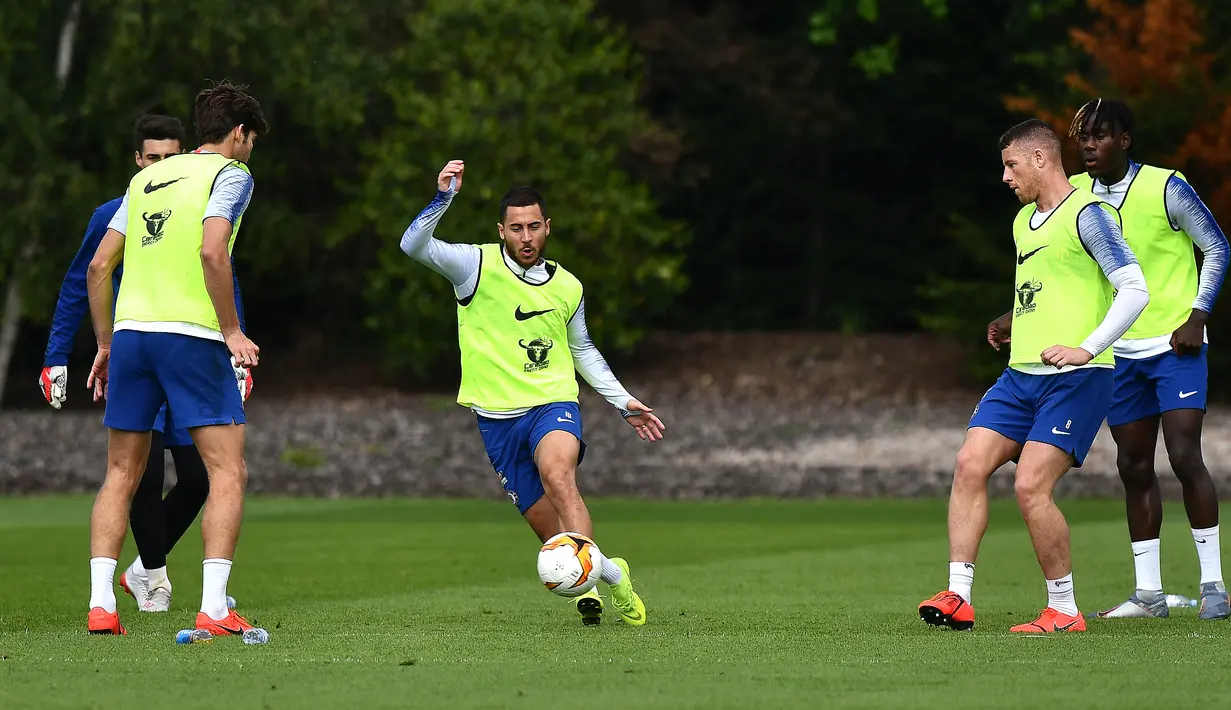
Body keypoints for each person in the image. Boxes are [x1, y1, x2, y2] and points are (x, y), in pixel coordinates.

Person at [400, 160, 663, 626]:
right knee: (549, 532)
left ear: (548, 228)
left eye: (534, 227)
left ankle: (588, 582)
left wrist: (624, 402)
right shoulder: (472, 265)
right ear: (501, 230)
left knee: (558, 476)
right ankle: (610, 575)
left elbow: (581, 349)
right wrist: (443, 198)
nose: (526, 237)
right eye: (516, 228)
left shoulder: (568, 286)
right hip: (496, 418)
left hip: (553, 402)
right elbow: (412, 244)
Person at [917, 119, 1149, 632]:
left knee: (1029, 486)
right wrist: (1010, 319)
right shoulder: (1025, 221)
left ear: (1040, 160)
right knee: (968, 464)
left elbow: (1134, 289)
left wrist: (1087, 349)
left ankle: (1064, 610)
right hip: (1019, 378)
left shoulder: (1090, 216)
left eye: (1010, 165)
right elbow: (1046, 289)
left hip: (1077, 380)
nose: (1005, 176)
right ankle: (958, 597)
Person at [41, 114, 252, 614]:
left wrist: (107, 344)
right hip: (174, 342)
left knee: (172, 476)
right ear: (138, 160)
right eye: (152, 157)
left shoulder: (160, 192)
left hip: (138, 343)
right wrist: (58, 356)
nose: (161, 164)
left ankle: (114, 593)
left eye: (169, 156)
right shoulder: (144, 200)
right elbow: (86, 275)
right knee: (180, 471)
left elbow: (222, 272)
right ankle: (171, 585)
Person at [83, 81, 266, 637]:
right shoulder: (230, 175)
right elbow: (213, 249)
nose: (250, 149)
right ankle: (213, 610)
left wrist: (106, 345)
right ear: (238, 133)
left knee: (120, 471)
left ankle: (101, 607)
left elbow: (98, 268)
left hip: (133, 336)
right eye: (251, 139)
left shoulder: (145, 178)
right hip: (189, 335)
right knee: (227, 469)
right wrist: (231, 330)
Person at [1066, 99, 1230, 620]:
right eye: (1083, 137)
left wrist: (1198, 315)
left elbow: (1218, 246)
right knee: (1133, 466)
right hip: (1120, 354)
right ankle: (1149, 596)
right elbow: (1062, 269)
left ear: (1125, 141)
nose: (1089, 145)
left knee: (1184, 456)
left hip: (1175, 346)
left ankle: (1214, 588)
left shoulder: (1166, 186)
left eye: (1101, 135)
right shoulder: (1074, 196)